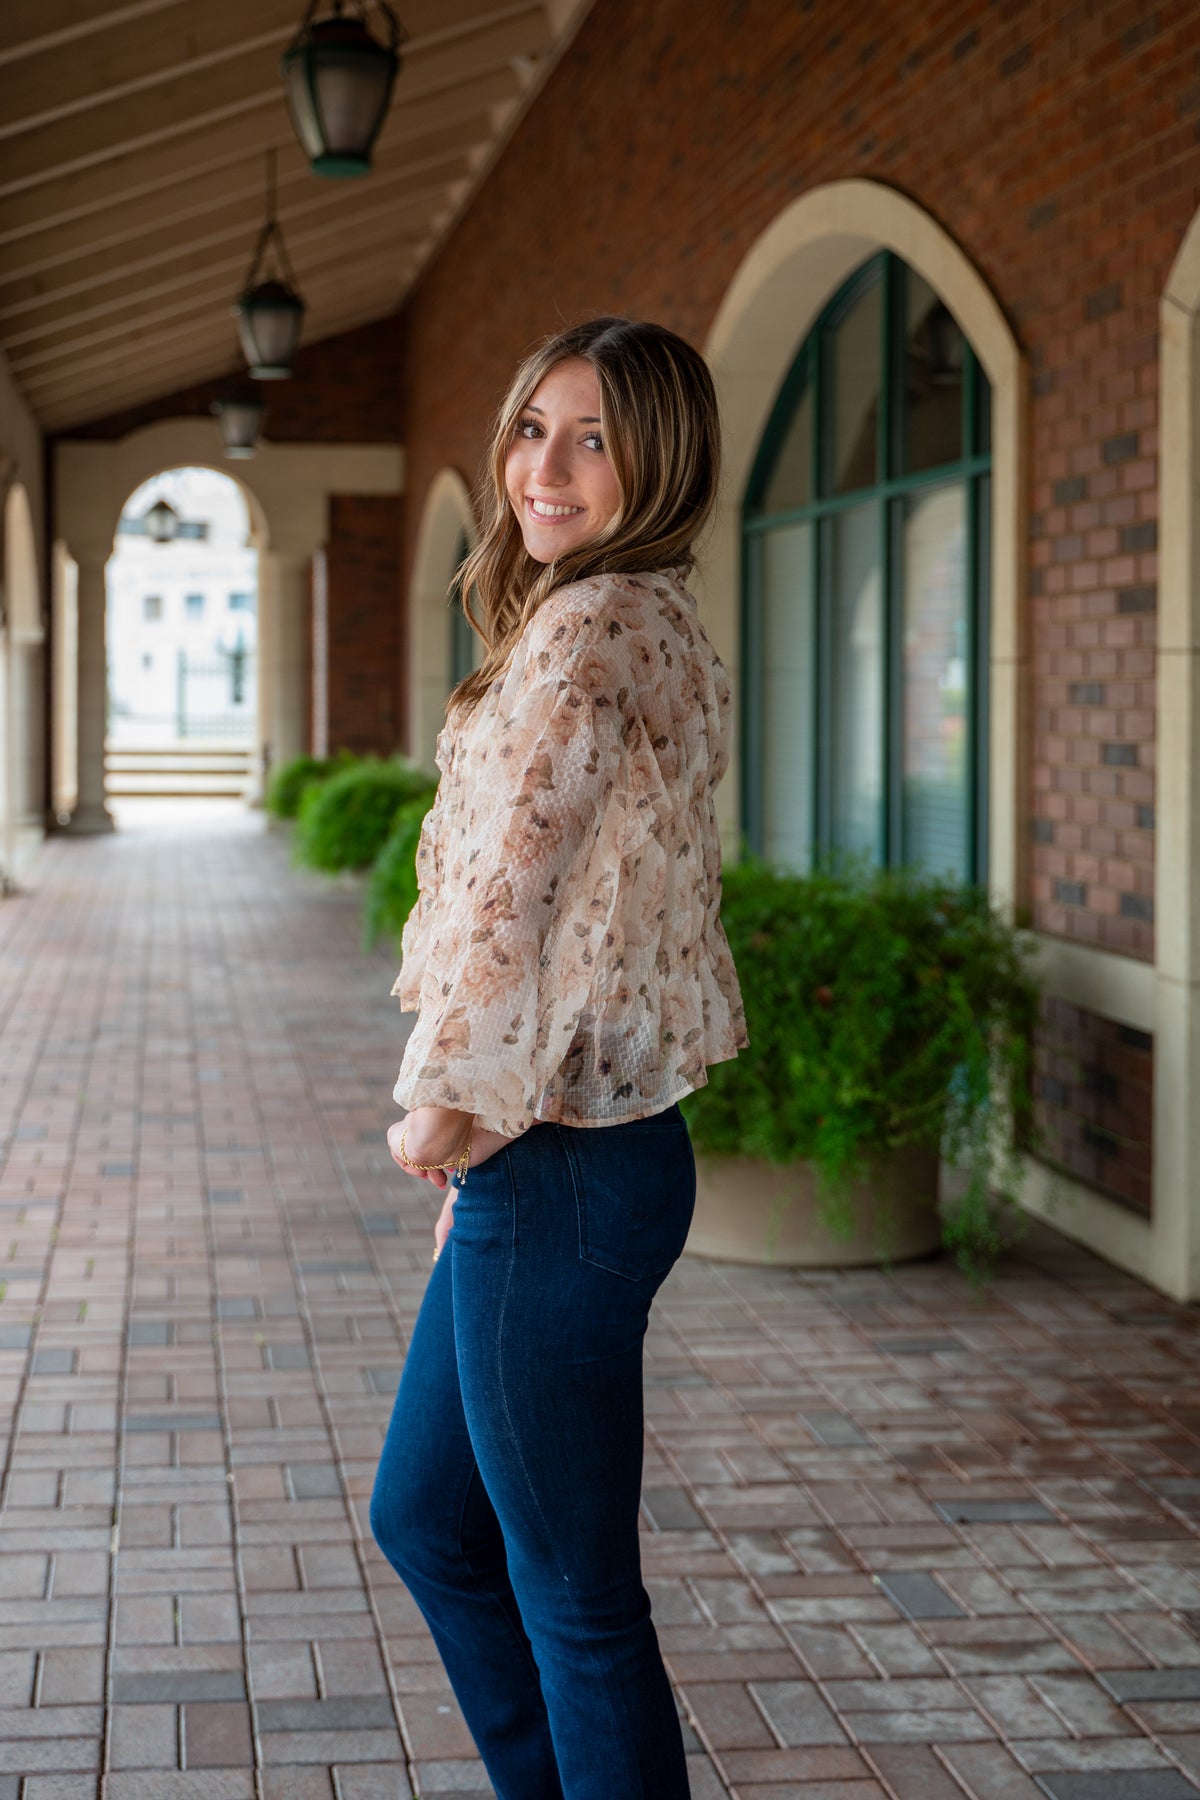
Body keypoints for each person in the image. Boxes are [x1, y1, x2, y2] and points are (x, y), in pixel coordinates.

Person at [370, 315, 747, 1800]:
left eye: (594, 437)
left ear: (659, 461)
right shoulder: (620, 616)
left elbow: (512, 897)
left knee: (578, 1601)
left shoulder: (595, 627)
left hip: (563, 1171)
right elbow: (596, 903)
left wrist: (444, 1103)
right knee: (433, 1524)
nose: (547, 465)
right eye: (534, 426)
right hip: (566, 1156)